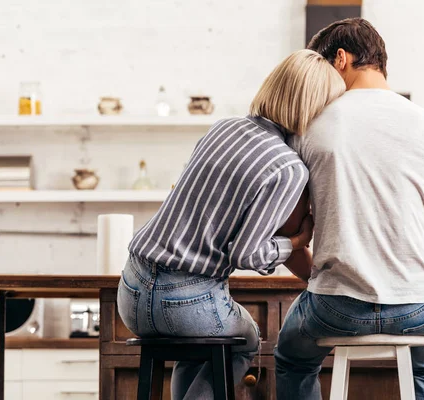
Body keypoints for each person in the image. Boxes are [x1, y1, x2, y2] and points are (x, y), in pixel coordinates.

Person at [117, 49, 345, 400]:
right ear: (315, 109)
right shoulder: (287, 167)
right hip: (185, 300)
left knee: (197, 351)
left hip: (131, 289)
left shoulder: (224, 127)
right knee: (245, 339)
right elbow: (248, 255)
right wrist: (297, 241)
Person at [275, 18, 424, 400]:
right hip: (418, 306)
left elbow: (290, 231)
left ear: (340, 60)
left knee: (292, 360)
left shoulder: (306, 129)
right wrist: (402, 281)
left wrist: (322, 278)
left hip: (335, 305)